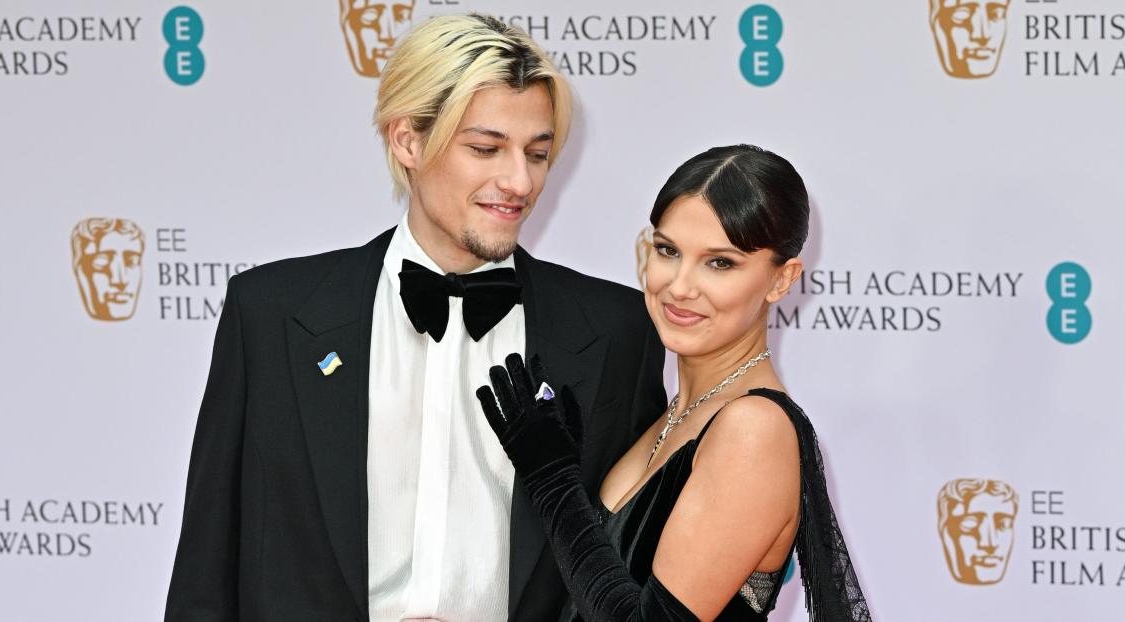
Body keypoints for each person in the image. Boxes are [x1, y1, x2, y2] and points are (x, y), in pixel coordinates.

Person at [164, 14, 666, 622]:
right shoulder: (270, 314)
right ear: (408, 141)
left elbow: (632, 570)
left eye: (537, 153)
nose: (520, 181)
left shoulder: (617, 332)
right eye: (485, 148)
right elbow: (205, 570)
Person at [478, 145, 872, 621]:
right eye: (668, 251)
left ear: (781, 280)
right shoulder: (674, 415)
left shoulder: (755, 429)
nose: (680, 285)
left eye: (720, 262)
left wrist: (554, 481)